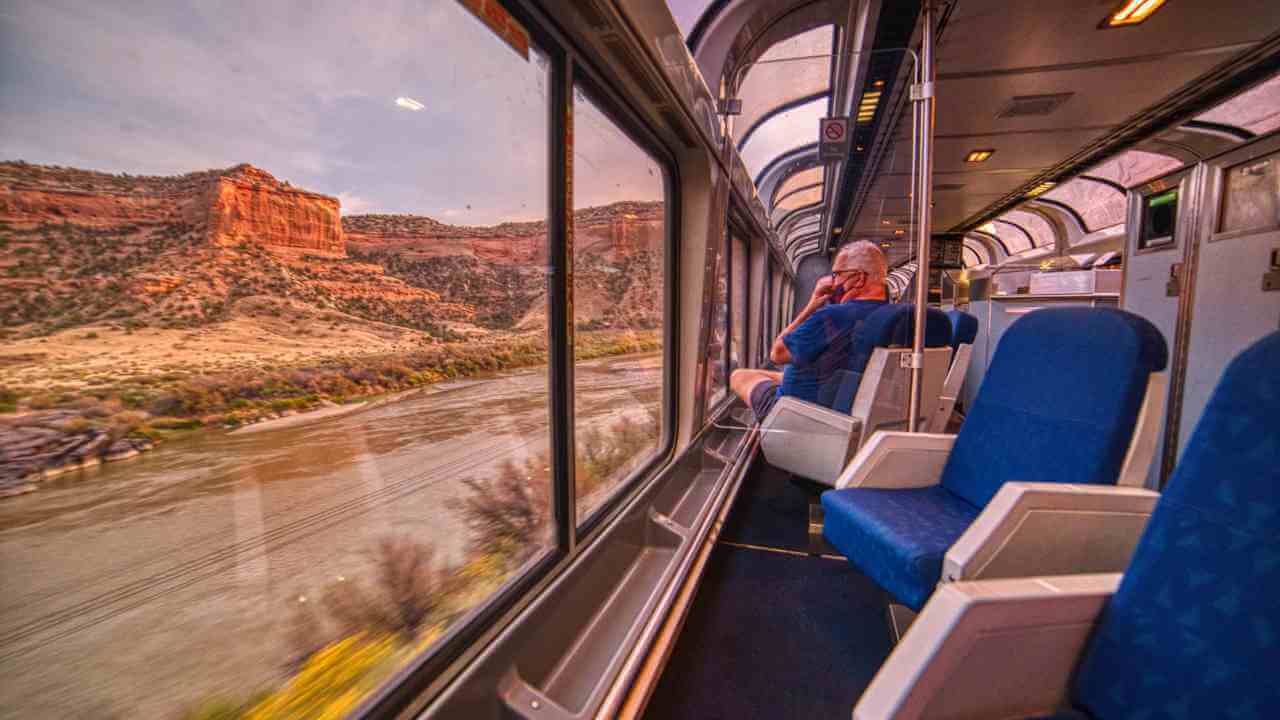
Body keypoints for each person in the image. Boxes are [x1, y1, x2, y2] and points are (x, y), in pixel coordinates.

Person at [730, 240, 889, 422]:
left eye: (837, 275)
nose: (833, 282)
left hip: (797, 413)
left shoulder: (834, 315)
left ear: (859, 278)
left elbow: (777, 353)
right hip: (841, 400)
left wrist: (813, 304)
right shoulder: (890, 315)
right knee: (766, 374)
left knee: (739, 375)